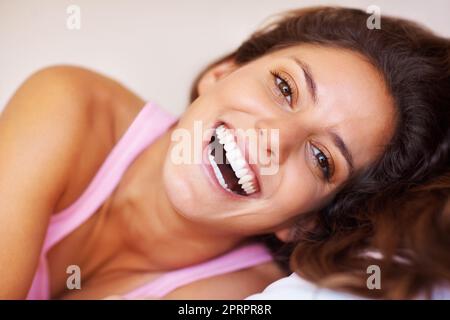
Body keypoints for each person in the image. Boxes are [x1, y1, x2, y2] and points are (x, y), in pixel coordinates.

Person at [0, 6, 448, 299]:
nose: (273, 138)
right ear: (221, 73)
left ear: (303, 222)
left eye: (321, 159)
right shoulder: (73, 103)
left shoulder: (236, 295)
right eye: (284, 87)